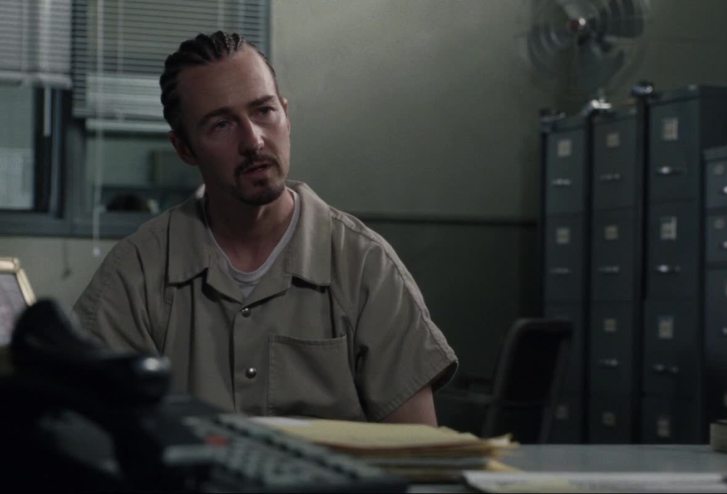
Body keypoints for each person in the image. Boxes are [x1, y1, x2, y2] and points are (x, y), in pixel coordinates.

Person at [73, 31, 458, 425]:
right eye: (221, 124)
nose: (253, 141)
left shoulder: (364, 266)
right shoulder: (137, 272)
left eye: (263, 111)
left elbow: (417, 447)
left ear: (286, 116)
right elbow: (85, 428)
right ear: (185, 149)